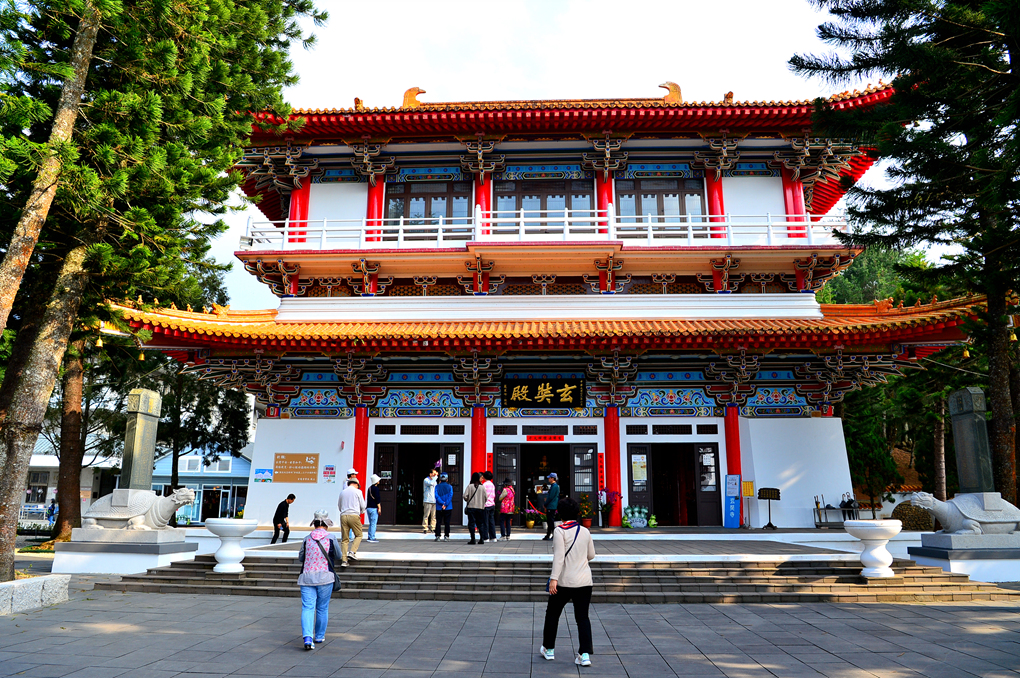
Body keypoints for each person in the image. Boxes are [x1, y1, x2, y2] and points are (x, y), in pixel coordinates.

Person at [540, 497, 595, 667]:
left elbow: (558, 558)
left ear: (560, 513)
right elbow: (591, 555)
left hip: (564, 581)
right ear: (577, 513)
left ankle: (549, 649)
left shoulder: (560, 531)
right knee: (582, 618)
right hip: (584, 581)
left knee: (552, 614)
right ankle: (584, 654)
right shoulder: (585, 531)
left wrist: (553, 579)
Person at [297, 510, 341, 650]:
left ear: (314, 524)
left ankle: (307, 638)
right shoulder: (331, 538)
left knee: (307, 607)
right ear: (326, 524)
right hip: (325, 577)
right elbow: (338, 556)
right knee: (322, 608)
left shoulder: (307, 538)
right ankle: (319, 636)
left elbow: (301, 557)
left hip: (307, 577)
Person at [337, 479, 366, 567]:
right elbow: (363, 505)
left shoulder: (342, 492)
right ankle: (352, 552)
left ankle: (344, 561)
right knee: (359, 535)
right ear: (356, 484)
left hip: (343, 515)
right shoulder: (358, 492)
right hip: (354, 515)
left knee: (345, 539)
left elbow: (339, 506)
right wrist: (361, 511)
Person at [463, 472, 486, 544]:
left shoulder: (470, 486)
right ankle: (482, 539)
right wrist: (482, 503)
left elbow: (465, 496)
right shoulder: (482, 487)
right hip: (480, 508)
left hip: (471, 507)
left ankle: (473, 539)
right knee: (480, 524)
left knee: (471, 523)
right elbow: (486, 497)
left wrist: (468, 500)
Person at [434, 472, 453, 541]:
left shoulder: (437, 486)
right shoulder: (450, 487)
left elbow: (436, 496)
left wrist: (442, 503)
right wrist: (445, 504)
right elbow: (450, 496)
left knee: (438, 522)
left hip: (439, 507)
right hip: (448, 507)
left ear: (440, 479)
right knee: (447, 522)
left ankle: (438, 536)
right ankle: (446, 536)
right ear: (447, 479)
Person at [543, 473, 560, 541]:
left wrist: (545, 504)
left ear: (553, 478)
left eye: (550, 478)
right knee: (550, 521)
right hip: (552, 505)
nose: (548, 479)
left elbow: (550, 497)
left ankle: (553, 534)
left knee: (550, 521)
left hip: (551, 506)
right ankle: (548, 534)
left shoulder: (554, 486)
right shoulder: (555, 486)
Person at [482, 471, 497, 543]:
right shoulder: (492, 485)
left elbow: (483, 495)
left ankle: (486, 537)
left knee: (485, 522)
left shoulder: (484, 485)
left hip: (486, 505)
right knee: (491, 521)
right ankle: (493, 537)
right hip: (492, 504)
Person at [366, 474, 381, 543]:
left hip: (368, 508)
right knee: (373, 523)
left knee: (371, 523)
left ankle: (369, 536)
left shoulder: (369, 488)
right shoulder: (376, 489)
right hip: (374, 508)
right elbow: (377, 499)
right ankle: (372, 537)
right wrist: (379, 508)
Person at [422, 469, 438, 534]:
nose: (435, 475)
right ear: (430, 474)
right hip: (427, 500)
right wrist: (435, 477)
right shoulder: (426, 480)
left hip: (434, 500)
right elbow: (431, 483)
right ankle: (425, 528)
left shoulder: (435, 481)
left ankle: (433, 527)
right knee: (426, 515)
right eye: (433, 474)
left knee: (434, 516)